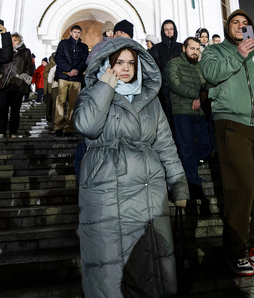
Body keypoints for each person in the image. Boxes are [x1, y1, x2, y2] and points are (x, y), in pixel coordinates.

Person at [73, 37, 189, 297]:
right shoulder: (91, 94)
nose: (125, 68)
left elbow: (166, 144)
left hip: (147, 188)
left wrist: (179, 184)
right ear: (107, 64)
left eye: (131, 63)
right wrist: (105, 86)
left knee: (147, 265)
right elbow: (86, 126)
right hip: (104, 188)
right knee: (109, 266)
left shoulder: (150, 99)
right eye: (118, 62)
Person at [200, 10, 254, 280]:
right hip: (231, 123)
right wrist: (239, 54)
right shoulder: (215, 52)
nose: (240, 26)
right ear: (228, 28)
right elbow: (211, 75)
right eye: (235, 23)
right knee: (242, 187)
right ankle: (236, 249)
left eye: (245, 23)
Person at [165, 37, 212, 215]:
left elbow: (207, 86)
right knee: (187, 147)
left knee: (207, 145)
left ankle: (191, 165)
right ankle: (193, 182)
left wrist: (203, 96)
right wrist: (197, 95)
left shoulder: (200, 66)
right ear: (184, 48)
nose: (195, 52)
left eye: (197, 49)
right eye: (192, 48)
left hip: (201, 114)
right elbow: (174, 84)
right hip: (183, 113)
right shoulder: (174, 63)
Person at [0, 32, 34, 138]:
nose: (12, 43)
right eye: (11, 41)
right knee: (2, 109)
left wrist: (22, 78)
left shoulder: (25, 51)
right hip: (3, 84)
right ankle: (1, 131)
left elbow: (29, 66)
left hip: (17, 85)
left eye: (15, 40)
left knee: (15, 110)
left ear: (20, 41)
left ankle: (13, 131)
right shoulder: (5, 51)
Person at [54, 25, 89, 136]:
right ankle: (58, 126)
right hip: (64, 76)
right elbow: (59, 58)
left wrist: (76, 71)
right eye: (75, 32)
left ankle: (69, 127)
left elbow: (85, 61)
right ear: (70, 32)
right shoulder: (63, 44)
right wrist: (69, 69)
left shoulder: (83, 47)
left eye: (78, 32)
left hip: (76, 78)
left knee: (73, 104)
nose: (76, 34)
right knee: (60, 102)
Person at [149, 19, 182, 123]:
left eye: (171, 29)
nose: (169, 32)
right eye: (166, 29)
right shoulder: (156, 49)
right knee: (166, 116)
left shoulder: (181, 47)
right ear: (163, 31)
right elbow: (152, 70)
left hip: (180, 88)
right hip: (163, 89)